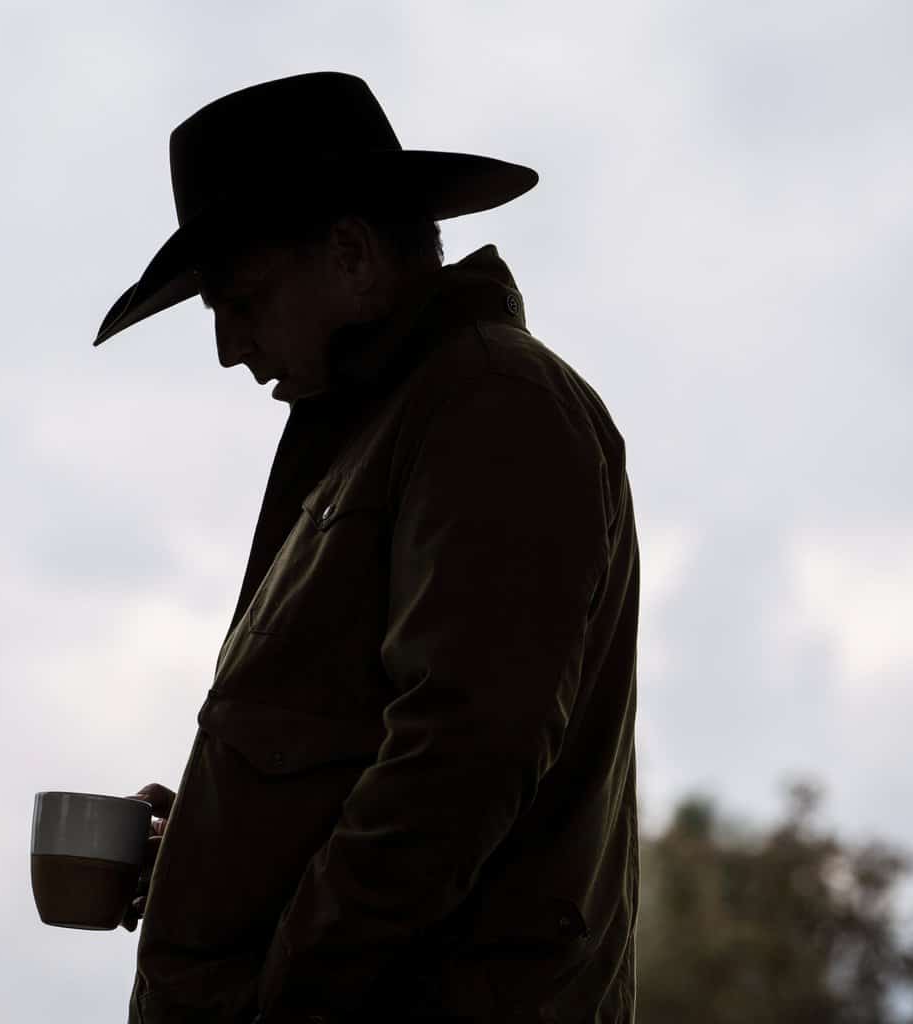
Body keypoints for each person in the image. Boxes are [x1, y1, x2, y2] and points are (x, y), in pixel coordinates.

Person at [92, 71, 641, 1024]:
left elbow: (463, 757)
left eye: (242, 301)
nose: (228, 348)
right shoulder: (397, 422)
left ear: (349, 253)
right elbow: (372, 746)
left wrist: (284, 999)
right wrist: (221, 851)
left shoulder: (488, 403)